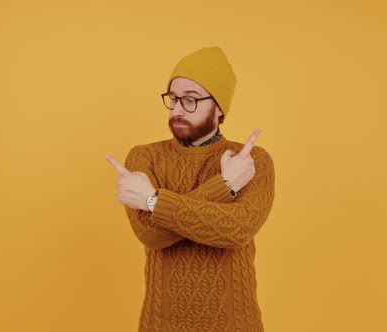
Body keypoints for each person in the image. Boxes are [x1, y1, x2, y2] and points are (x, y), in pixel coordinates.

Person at [105, 46, 275, 332]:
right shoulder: (145, 157)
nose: (177, 110)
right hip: (161, 324)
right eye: (173, 99)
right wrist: (226, 186)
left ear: (219, 107)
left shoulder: (250, 161)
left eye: (190, 100)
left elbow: (236, 231)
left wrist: (152, 202)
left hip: (236, 324)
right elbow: (151, 235)